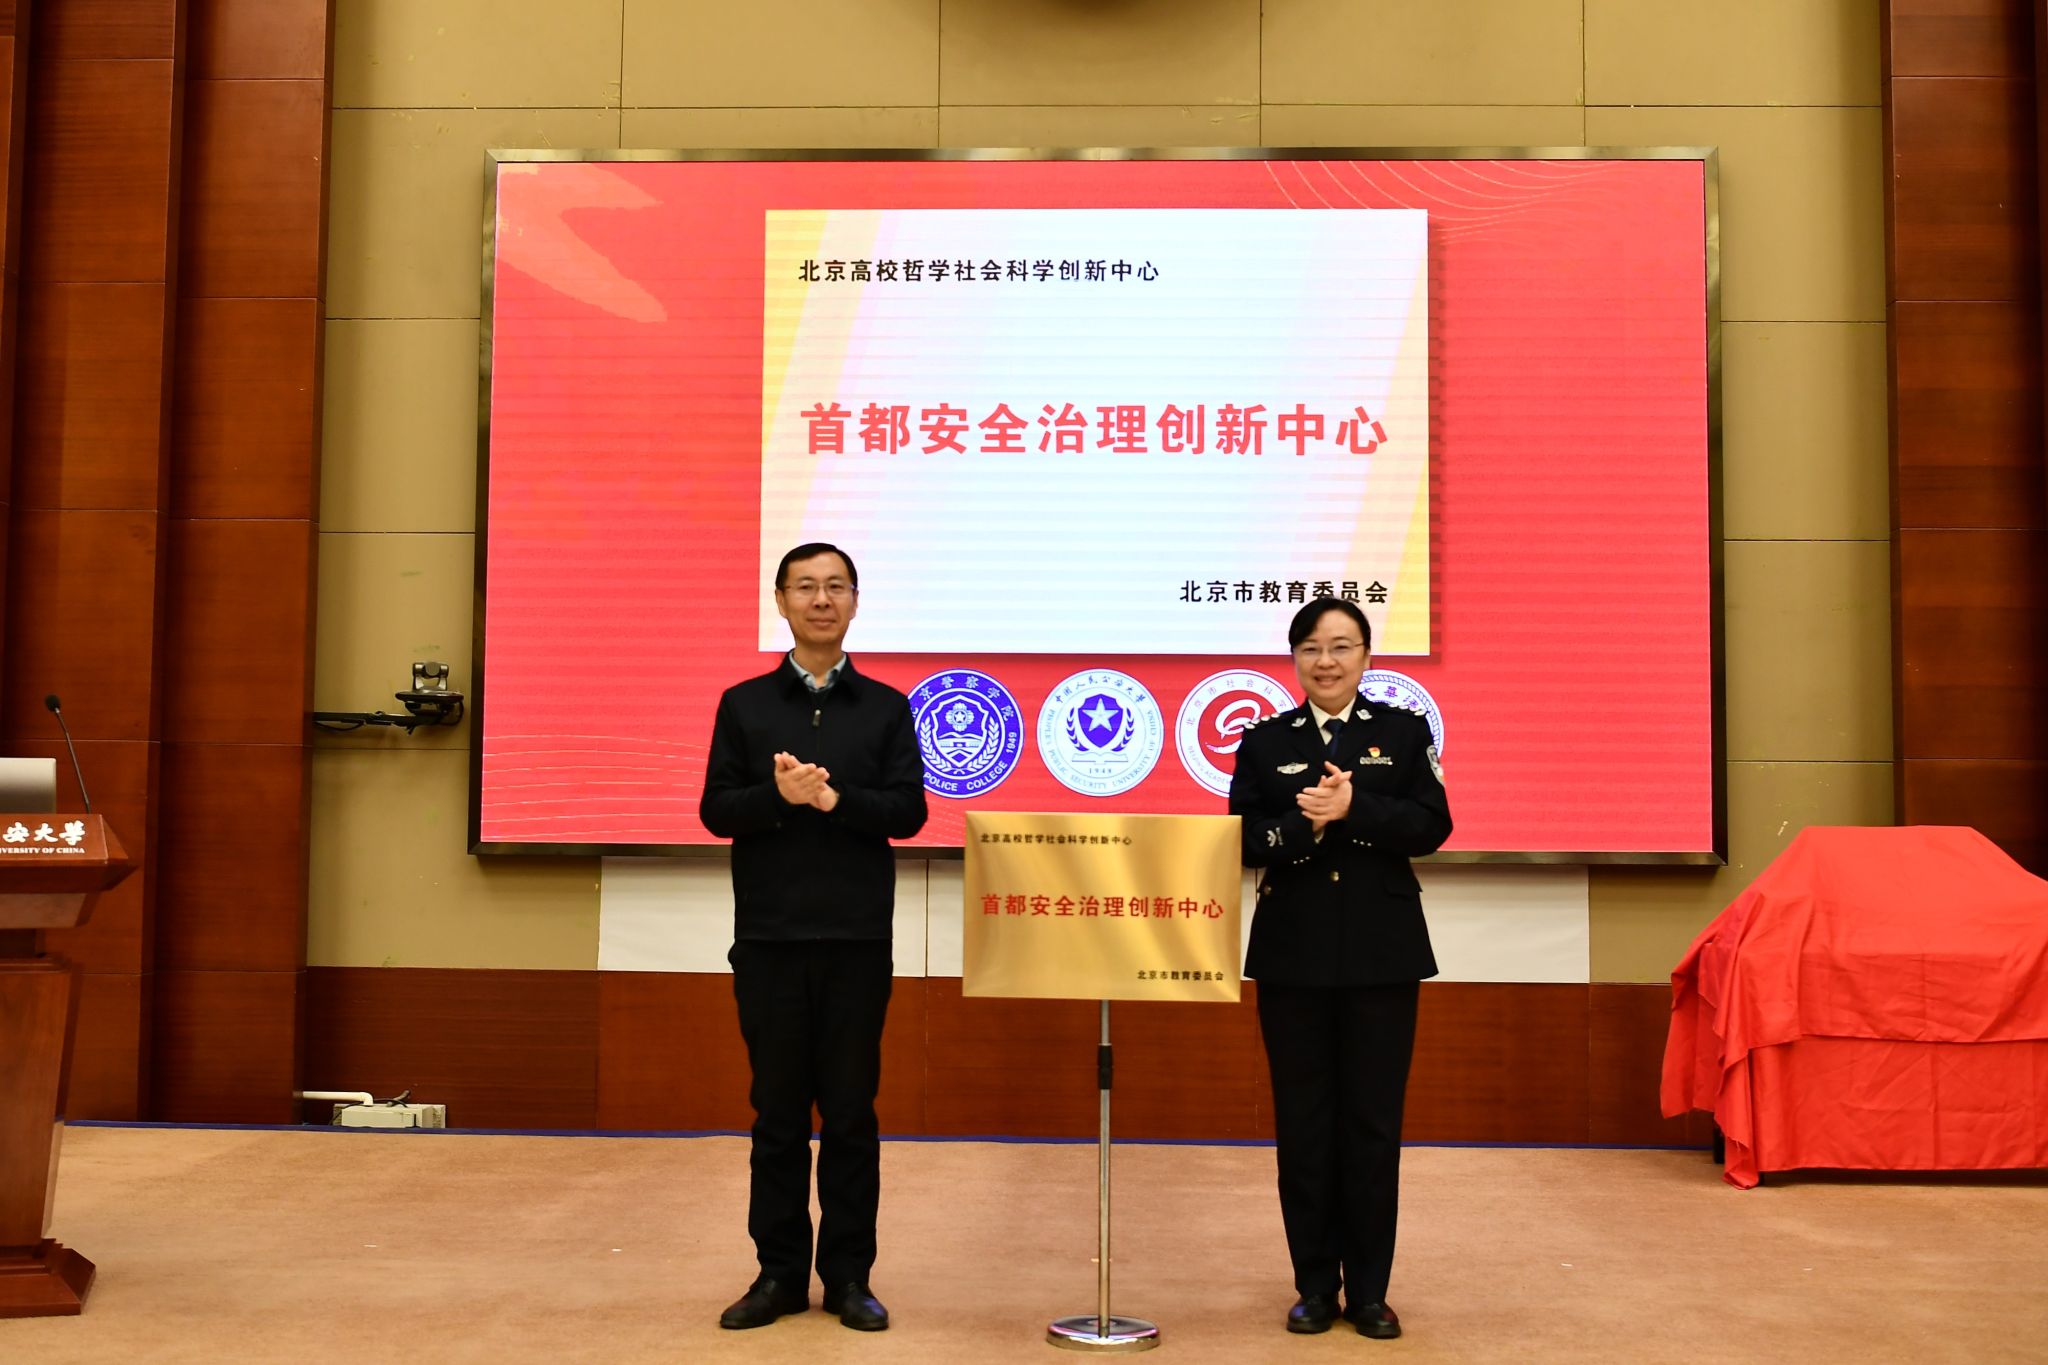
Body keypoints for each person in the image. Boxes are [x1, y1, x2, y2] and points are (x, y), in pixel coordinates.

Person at [699, 543, 928, 1332]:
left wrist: (835, 800)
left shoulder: (886, 707)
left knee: (852, 1116)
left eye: (835, 587)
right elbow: (716, 809)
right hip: (769, 940)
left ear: (855, 601)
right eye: (806, 586)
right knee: (777, 1116)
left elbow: (908, 812)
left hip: (857, 942)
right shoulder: (744, 704)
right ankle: (779, 1275)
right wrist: (778, 795)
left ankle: (850, 1276)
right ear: (781, 600)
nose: (821, 599)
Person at [1228, 596, 1452, 1340]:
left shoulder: (1403, 731)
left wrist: (1357, 808)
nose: (1326, 661)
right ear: (1295, 659)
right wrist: (1306, 824)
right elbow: (1243, 839)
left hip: (1382, 954)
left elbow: (1432, 825)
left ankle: (1372, 1292)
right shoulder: (1264, 741)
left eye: (1341, 646)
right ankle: (1316, 1287)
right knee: (1304, 1127)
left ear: (1365, 655)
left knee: (1372, 1126)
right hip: (1292, 955)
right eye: (1311, 648)